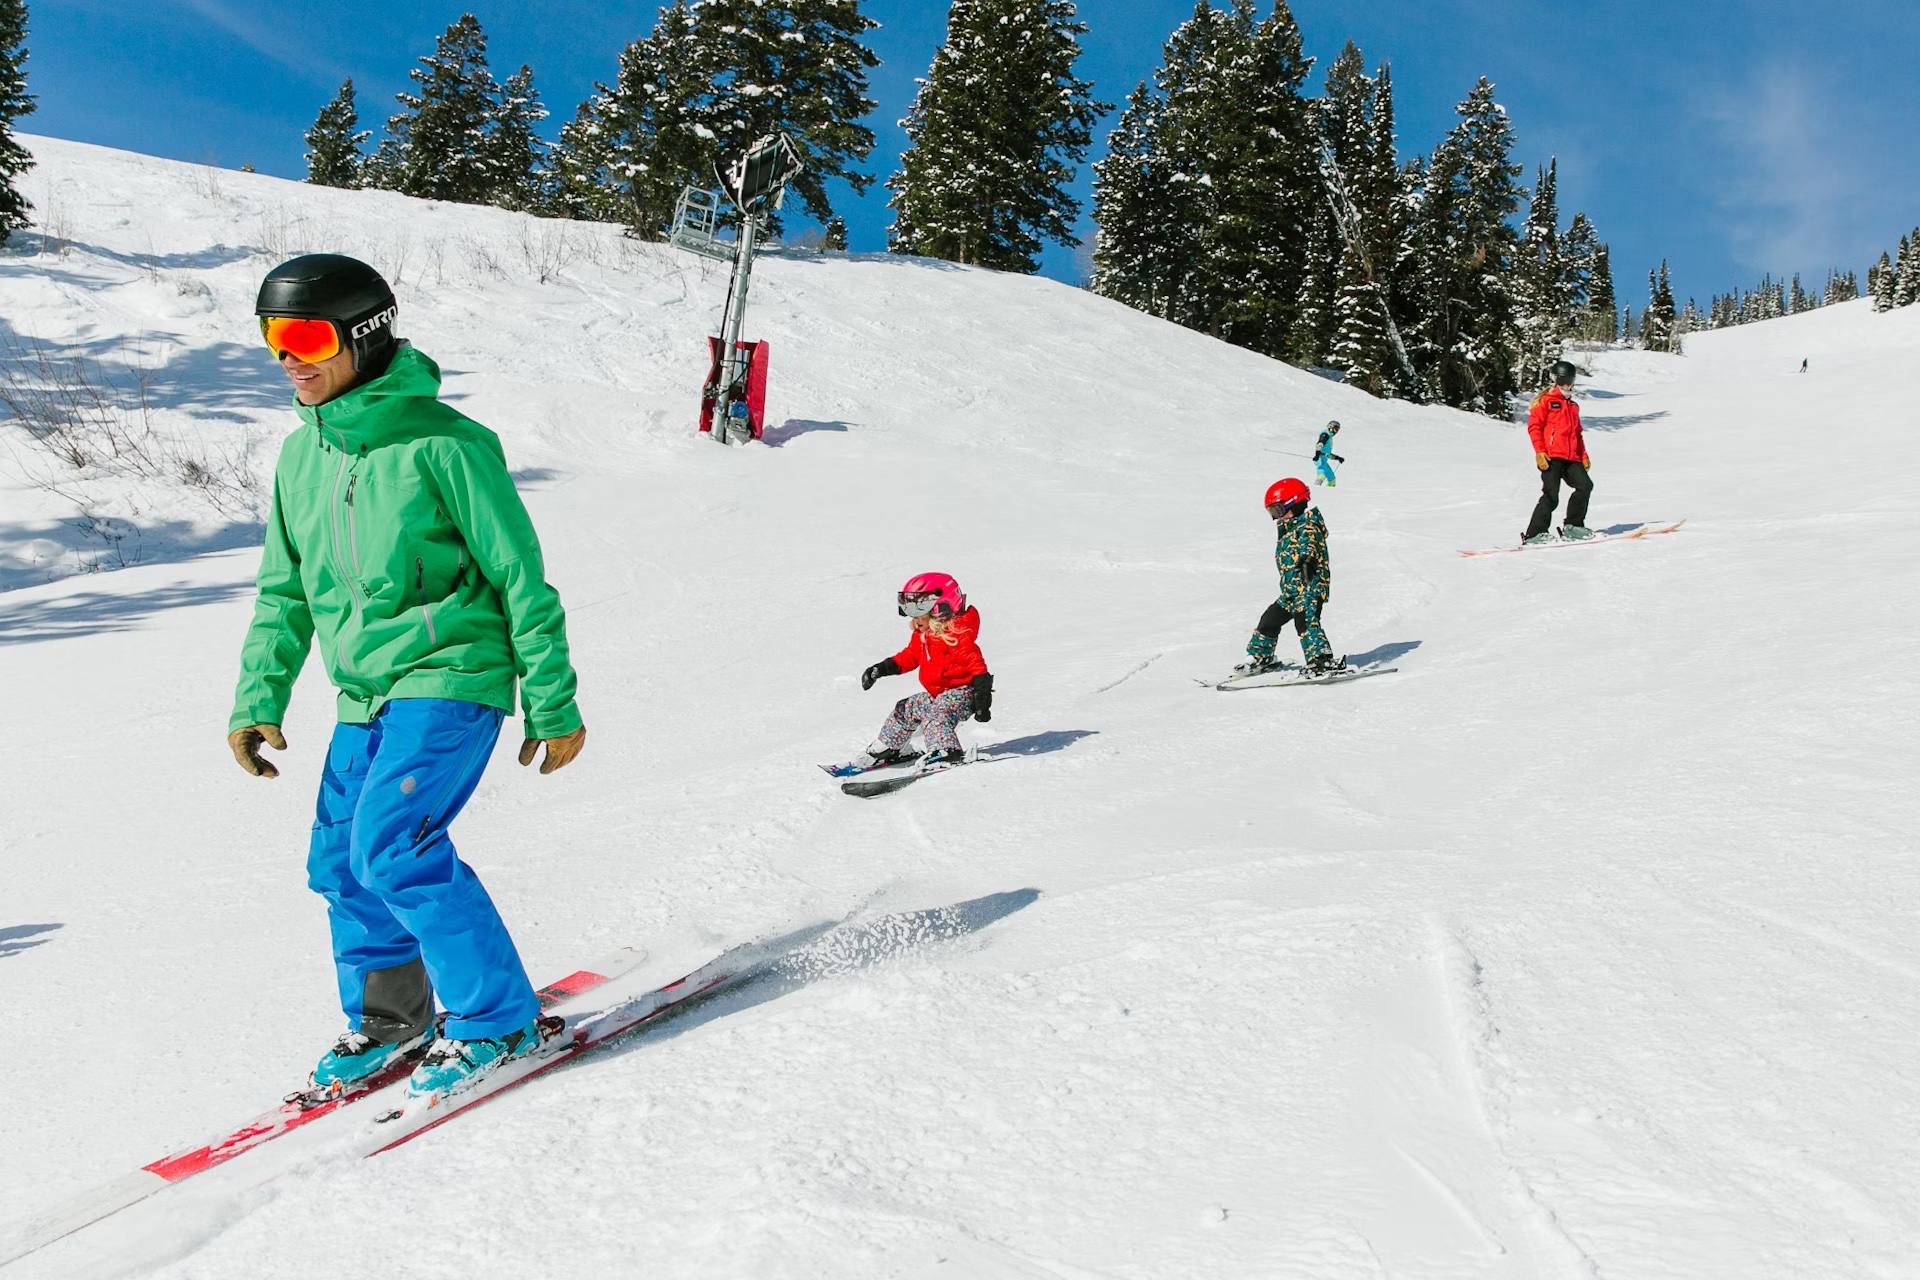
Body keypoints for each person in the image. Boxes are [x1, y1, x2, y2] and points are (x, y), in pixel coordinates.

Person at [228, 254, 587, 1102]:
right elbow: (284, 592)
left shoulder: (447, 445)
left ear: (363, 334)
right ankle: (395, 1021)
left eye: (306, 336)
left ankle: (497, 1020)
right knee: (339, 864)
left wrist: (552, 699)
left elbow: (520, 578)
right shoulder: (298, 458)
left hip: (452, 673)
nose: (288, 356)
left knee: (393, 847)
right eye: (274, 337)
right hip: (364, 693)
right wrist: (258, 700)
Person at [855, 573, 993, 769]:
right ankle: (890, 748)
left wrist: (983, 700)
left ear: (941, 610)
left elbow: (977, 666)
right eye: (912, 613)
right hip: (939, 695)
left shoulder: (958, 635)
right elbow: (909, 657)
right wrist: (880, 669)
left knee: (938, 713)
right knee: (905, 708)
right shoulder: (923, 635)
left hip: (964, 694)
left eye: (921, 614)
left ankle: (946, 751)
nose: (916, 621)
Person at [1235, 479, 1341, 677]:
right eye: (1272, 513)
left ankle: (1321, 660)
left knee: (1306, 623)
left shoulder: (1309, 525)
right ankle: (1260, 657)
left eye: (1277, 511)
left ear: (1295, 503)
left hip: (1309, 588)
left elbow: (1310, 542)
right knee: (1269, 621)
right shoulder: (1288, 530)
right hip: (1291, 591)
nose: (1276, 518)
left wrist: (1307, 559)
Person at [1523, 359, 1594, 545]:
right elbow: (1534, 428)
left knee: (1585, 486)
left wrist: (1583, 456)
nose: (1567, 386)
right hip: (1551, 457)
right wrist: (1540, 452)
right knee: (1551, 496)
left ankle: (1573, 526)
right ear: (1555, 380)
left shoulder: (1572, 406)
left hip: (1571, 457)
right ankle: (1534, 534)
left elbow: (1577, 434)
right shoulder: (1546, 402)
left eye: (1570, 381)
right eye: (1563, 381)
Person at [1312, 420, 1345, 486]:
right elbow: (1320, 443)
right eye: (1335, 429)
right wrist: (1317, 453)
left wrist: (1337, 458)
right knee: (1322, 475)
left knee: (1332, 479)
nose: (1336, 432)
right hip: (1320, 460)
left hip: (1324, 460)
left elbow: (1327, 454)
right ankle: (1316, 488)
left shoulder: (1329, 437)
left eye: (1337, 430)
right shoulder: (1325, 435)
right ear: (1330, 427)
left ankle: (1329, 493)